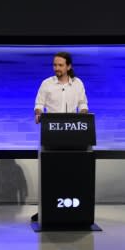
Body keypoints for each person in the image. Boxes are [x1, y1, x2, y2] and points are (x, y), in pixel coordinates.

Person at [31, 51, 89, 221]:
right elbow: (39, 104)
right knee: (50, 174)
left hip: (73, 136)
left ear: (68, 66)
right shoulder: (46, 84)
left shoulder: (77, 84)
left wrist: (84, 116)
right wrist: (38, 113)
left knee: (70, 173)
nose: (56, 68)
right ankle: (45, 209)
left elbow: (83, 104)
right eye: (55, 65)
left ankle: (71, 208)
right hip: (51, 135)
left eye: (60, 65)